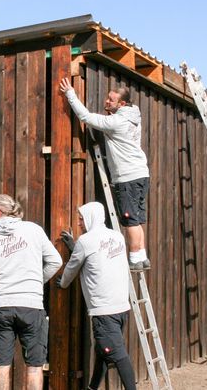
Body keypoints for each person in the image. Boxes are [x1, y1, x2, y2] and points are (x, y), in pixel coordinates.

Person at [0, 194, 62, 390]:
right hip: (31, 304)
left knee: (2, 365)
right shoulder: (34, 230)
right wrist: (37, 281)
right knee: (35, 367)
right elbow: (56, 261)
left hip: (0, 306)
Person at [59, 78, 151, 270]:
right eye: (108, 97)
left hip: (128, 176)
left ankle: (135, 259)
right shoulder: (134, 115)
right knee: (137, 218)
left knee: (130, 220)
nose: (107, 101)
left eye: (111, 100)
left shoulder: (116, 121)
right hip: (141, 173)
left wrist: (70, 93)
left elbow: (85, 117)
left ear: (122, 104)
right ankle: (142, 257)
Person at [57, 201, 136, 390]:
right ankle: (92, 388)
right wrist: (75, 246)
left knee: (116, 354)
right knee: (102, 350)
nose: (79, 223)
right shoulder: (117, 237)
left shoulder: (86, 241)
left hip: (103, 310)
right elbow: (99, 260)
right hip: (121, 307)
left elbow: (72, 268)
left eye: (81, 219)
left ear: (91, 218)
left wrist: (63, 283)